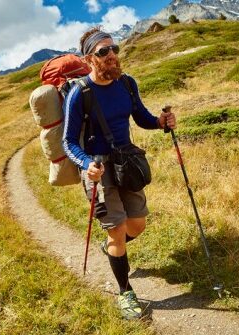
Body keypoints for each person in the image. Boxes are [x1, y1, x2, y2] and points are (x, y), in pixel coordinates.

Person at [62, 26, 176, 320]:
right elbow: (68, 141)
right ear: (89, 59)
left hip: (126, 163)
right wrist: (86, 164)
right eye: (104, 52)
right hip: (98, 169)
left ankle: (114, 247)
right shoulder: (79, 93)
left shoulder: (127, 84)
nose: (112, 55)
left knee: (136, 225)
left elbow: (141, 117)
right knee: (116, 231)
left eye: (114, 49)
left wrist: (161, 122)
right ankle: (125, 293)